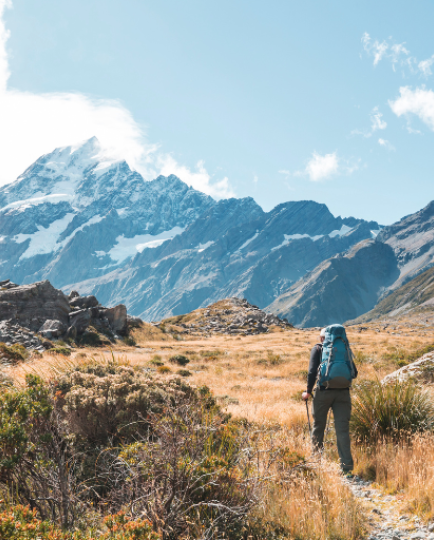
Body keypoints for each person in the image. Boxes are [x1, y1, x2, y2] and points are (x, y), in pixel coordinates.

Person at [302, 327, 358, 474]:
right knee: (342, 430)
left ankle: (316, 461)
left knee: (318, 426)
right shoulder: (344, 348)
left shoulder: (318, 349)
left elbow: (312, 372)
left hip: (323, 393)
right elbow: (355, 372)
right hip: (343, 394)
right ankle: (346, 468)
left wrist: (308, 391)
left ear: (322, 338)